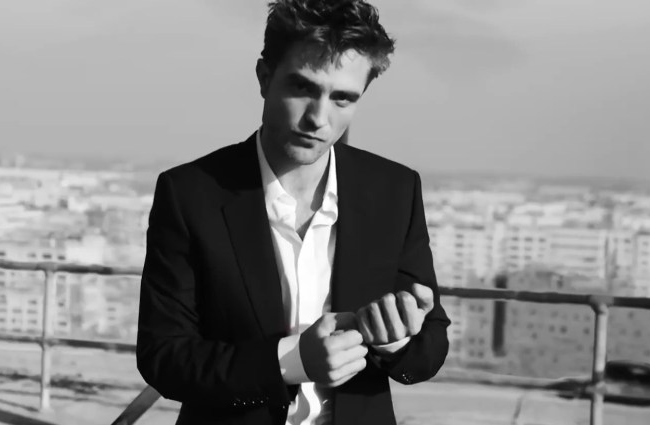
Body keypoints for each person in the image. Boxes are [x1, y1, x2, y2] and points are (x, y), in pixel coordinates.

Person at [136, 0, 451, 424]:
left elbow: (428, 350)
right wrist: (292, 361)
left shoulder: (394, 190)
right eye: (303, 88)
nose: (318, 118)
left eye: (342, 99)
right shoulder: (190, 193)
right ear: (264, 78)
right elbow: (164, 356)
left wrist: (395, 341)